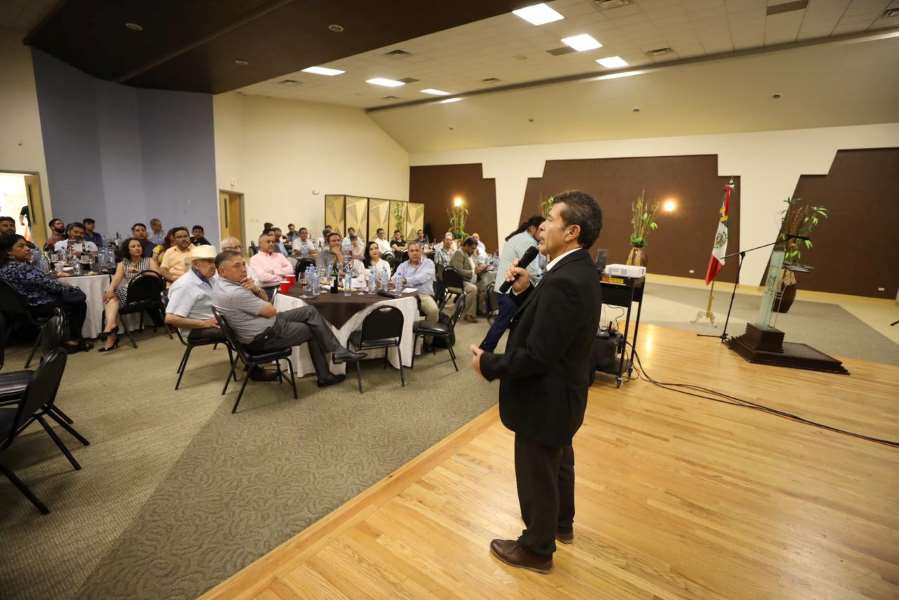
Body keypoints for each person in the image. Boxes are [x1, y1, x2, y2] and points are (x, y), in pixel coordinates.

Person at [470, 190, 603, 574]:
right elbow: (553, 323)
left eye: (550, 220)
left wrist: (490, 364)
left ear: (572, 231)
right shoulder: (574, 270)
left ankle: (536, 548)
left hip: (546, 398)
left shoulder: (565, 280)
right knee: (558, 462)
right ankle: (561, 525)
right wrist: (529, 288)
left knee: (536, 472)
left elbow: (537, 355)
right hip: (564, 395)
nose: (541, 226)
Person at [212, 250, 365, 387]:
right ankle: (325, 375)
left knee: (310, 311)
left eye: (243, 264)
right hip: (264, 336)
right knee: (314, 328)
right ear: (222, 271)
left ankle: (337, 351)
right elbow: (271, 310)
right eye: (237, 266)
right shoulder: (236, 293)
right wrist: (255, 293)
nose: (243, 269)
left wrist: (256, 289)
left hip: (263, 326)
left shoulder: (220, 285)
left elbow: (266, 302)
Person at [0, 233, 91, 352]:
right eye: (21, 246)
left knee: (73, 296)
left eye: (26, 245)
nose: (27, 248)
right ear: (9, 252)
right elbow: (50, 285)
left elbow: (38, 278)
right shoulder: (21, 267)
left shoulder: (4, 268)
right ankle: (70, 341)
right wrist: (69, 287)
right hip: (38, 305)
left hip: (18, 308)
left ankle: (67, 338)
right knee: (78, 300)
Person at [479, 215, 545, 352]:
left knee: (505, 323)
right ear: (533, 228)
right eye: (541, 229)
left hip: (506, 287)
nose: (544, 233)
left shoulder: (521, 238)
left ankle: (485, 351)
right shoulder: (527, 241)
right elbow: (533, 270)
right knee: (502, 324)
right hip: (510, 289)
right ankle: (483, 352)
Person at [97, 237, 163, 351]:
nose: (137, 248)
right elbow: (116, 279)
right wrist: (110, 289)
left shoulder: (149, 260)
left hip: (148, 293)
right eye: (133, 246)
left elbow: (157, 276)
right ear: (127, 250)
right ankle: (111, 328)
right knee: (111, 296)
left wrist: (141, 273)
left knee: (113, 298)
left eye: (139, 246)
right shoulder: (123, 264)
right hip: (130, 295)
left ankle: (110, 330)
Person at [395, 241, 438, 327]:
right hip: (405, 295)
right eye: (412, 251)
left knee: (434, 311)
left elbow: (421, 278)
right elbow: (395, 278)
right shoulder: (403, 266)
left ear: (421, 251)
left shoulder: (429, 263)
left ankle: (428, 339)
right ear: (408, 253)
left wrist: (405, 280)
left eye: (417, 250)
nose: (414, 253)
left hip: (423, 295)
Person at [449, 237, 486, 323]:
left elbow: (473, 265)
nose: (473, 250)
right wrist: (474, 271)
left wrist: (480, 266)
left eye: (474, 248)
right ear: (466, 246)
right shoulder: (459, 253)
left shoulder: (468, 254)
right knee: (473, 288)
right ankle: (465, 313)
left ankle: (478, 311)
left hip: (467, 280)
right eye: (472, 248)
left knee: (483, 286)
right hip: (457, 281)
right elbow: (458, 270)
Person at [249, 231, 293, 298]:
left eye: (273, 242)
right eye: (268, 242)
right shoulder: (255, 259)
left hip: (284, 287)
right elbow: (263, 277)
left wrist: (274, 271)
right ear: (260, 244)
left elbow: (290, 269)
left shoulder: (279, 255)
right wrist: (282, 277)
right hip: (266, 291)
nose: (271, 244)